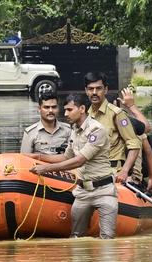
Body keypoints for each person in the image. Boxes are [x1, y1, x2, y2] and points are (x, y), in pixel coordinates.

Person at [28, 93, 137, 239]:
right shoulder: (74, 130)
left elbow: (79, 160)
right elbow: (67, 157)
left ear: (82, 109)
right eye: (65, 110)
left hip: (104, 190)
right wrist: (39, 157)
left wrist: (46, 169)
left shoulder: (96, 130)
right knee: (76, 238)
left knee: (107, 239)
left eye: (69, 110)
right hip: (82, 192)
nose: (65, 113)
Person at [118, 86, 152, 195]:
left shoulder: (128, 124)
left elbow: (148, 149)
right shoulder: (98, 126)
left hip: (130, 172)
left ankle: (135, 179)